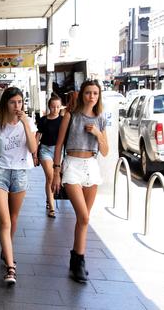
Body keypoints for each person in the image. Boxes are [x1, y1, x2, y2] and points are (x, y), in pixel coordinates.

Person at [52, 79, 109, 283]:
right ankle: (79, 259)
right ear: (82, 94)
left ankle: (77, 260)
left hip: (91, 167)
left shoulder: (100, 118)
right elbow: (59, 145)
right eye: (88, 93)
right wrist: (56, 172)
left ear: (98, 96)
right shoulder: (71, 115)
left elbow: (105, 151)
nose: (91, 96)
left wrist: (97, 133)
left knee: (83, 219)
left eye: (95, 93)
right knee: (84, 216)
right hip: (72, 166)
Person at [0, 87, 38, 285]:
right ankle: (10, 267)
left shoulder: (27, 122)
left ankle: (6, 251)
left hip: (20, 173)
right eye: (13, 102)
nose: (17, 106)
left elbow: (33, 149)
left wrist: (25, 123)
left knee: (13, 218)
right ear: (6, 103)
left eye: (20, 102)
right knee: (5, 221)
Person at [34, 95, 63, 218]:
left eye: (57, 107)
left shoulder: (63, 120)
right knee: (50, 177)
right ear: (49, 106)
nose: (55, 109)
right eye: (53, 107)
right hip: (45, 150)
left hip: (58, 151)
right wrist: (34, 154)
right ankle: (52, 207)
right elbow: (37, 137)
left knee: (52, 178)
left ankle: (48, 198)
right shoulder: (43, 120)